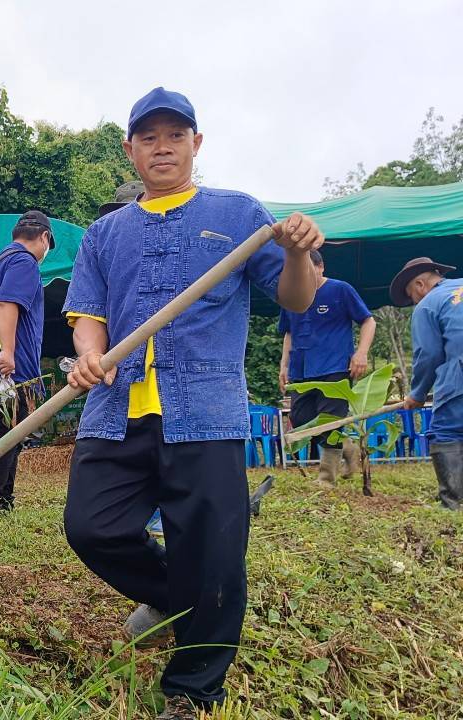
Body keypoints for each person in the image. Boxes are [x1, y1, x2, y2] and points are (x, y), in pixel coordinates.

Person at [61, 87, 324, 719]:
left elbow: (297, 299)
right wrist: (92, 352)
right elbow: (87, 316)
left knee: (210, 546)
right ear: (129, 150)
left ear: (196, 144)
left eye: (174, 136)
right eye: (148, 138)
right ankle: (183, 599)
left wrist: (294, 253)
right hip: (116, 411)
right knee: (92, 527)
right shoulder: (104, 235)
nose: (162, 148)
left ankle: (192, 688)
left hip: (204, 410)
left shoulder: (238, 216)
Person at [0, 210, 52, 511]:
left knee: (8, 431)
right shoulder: (23, 261)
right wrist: (7, 351)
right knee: (4, 433)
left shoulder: (1, 259)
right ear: (45, 237)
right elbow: (7, 304)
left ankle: (1, 497)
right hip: (9, 367)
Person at [278, 249, 375, 481]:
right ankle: (349, 448)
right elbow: (288, 333)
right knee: (303, 420)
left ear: (321, 267)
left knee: (331, 420)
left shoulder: (340, 290)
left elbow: (368, 321)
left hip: (335, 366)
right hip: (301, 370)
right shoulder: (290, 296)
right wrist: (283, 366)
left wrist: (361, 353)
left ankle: (326, 479)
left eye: (308, 268)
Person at [390, 257, 463, 509]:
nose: (414, 302)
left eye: (412, 296)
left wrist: (418, 393)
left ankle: (451, 503)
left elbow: (429, 355)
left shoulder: (429, 305)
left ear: (420, 284)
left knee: (446, 431)